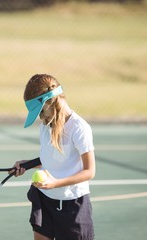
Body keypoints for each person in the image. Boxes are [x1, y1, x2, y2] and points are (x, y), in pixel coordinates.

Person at [12, 74, 96, 240]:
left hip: (73, 205)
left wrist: (55, 183)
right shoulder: (45, 126)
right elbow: (51, 157)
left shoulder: (79, 128)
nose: (40, 116)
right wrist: (27, 164)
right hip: (45, 200)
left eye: (40, 111)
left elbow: (89, 171)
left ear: (49, 102)